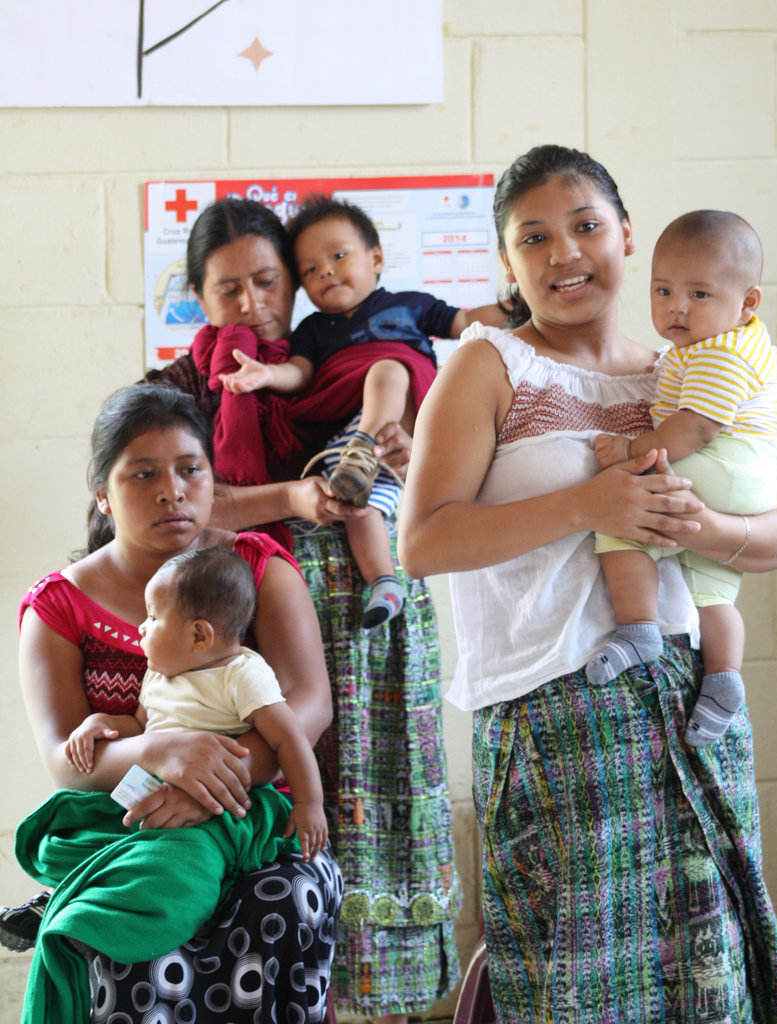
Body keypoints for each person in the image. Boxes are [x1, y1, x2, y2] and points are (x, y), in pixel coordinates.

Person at [398, 144, 777, 1023]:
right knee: (576, 992)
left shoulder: (687, 365)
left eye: (586, 225)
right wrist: (591, 503)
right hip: (555, 724)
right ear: (506, 263)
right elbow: (423, 542)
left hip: (695, 705)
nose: (564, 253)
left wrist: (704, 528)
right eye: (533, 238)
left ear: (626, 234)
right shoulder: (489, 365)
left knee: (710, 984)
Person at [147, 196, 462, 1024]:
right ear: (197, 295)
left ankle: (388, 1002)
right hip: (246, 626)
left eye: (268, 282)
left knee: (379, 790)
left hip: (371, 615)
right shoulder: (180, 390)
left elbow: (437, 478)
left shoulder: (339, 364)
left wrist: (405, 451)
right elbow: (180, 511)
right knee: (269, 801)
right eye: (228, 289)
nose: (252, 304)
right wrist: (289, 496)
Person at [14, 383, 343, 1023]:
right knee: (123, 938)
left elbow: (310, 702)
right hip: (127, 820)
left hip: (253, 815)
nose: (172, 490)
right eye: (143, 474)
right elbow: (63, 759)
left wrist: (212, 786)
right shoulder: (59, 607)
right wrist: (163, 751)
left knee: (284, 903)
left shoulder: (254, 568)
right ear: (103, 494)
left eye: (190, 469)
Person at [214, 195, 504, 628]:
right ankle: (383, 582)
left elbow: (465, 322)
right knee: (359, 509)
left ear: (376, 258)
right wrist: (266, 374)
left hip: (392, 435)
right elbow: (300, 373)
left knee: (389, 368)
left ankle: (363, 450)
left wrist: (523, 305)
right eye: (310, 269)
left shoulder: (410, 304)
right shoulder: (313, 330)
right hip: (347, 447)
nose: (326, 271)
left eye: (338, 256)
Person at [586, 210, 777, 746]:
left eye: (699, 294)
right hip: (747, 479)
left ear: (747, 303)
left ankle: (638, 630)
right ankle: (723, 678)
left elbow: (695, 427)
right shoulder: (721, 343)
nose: (677, 306)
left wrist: (631, 450)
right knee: (713, 590)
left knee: (624, 516)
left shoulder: (719, 353)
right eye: (664, 290)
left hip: (727, 462)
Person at [66, 545, 329, 858]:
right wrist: (101, 724)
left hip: (217, 806)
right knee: (64, 821)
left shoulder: (241, 676)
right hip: (150, 790)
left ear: (199, 636)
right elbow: (138, 725)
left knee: (177, 864)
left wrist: (309, 803)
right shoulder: (158, 675)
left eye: (153, 617)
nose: (141, 627)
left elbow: (289, 737)